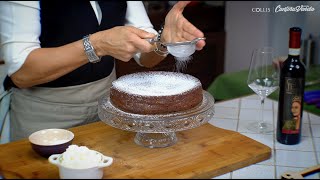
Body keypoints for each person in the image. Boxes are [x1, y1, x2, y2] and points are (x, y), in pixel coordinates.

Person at [0, 1, 205, 141]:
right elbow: (22, 73)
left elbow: (146, 57)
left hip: (107, 107)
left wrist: (163, 41)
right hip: (45, 115)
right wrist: (97, 45)